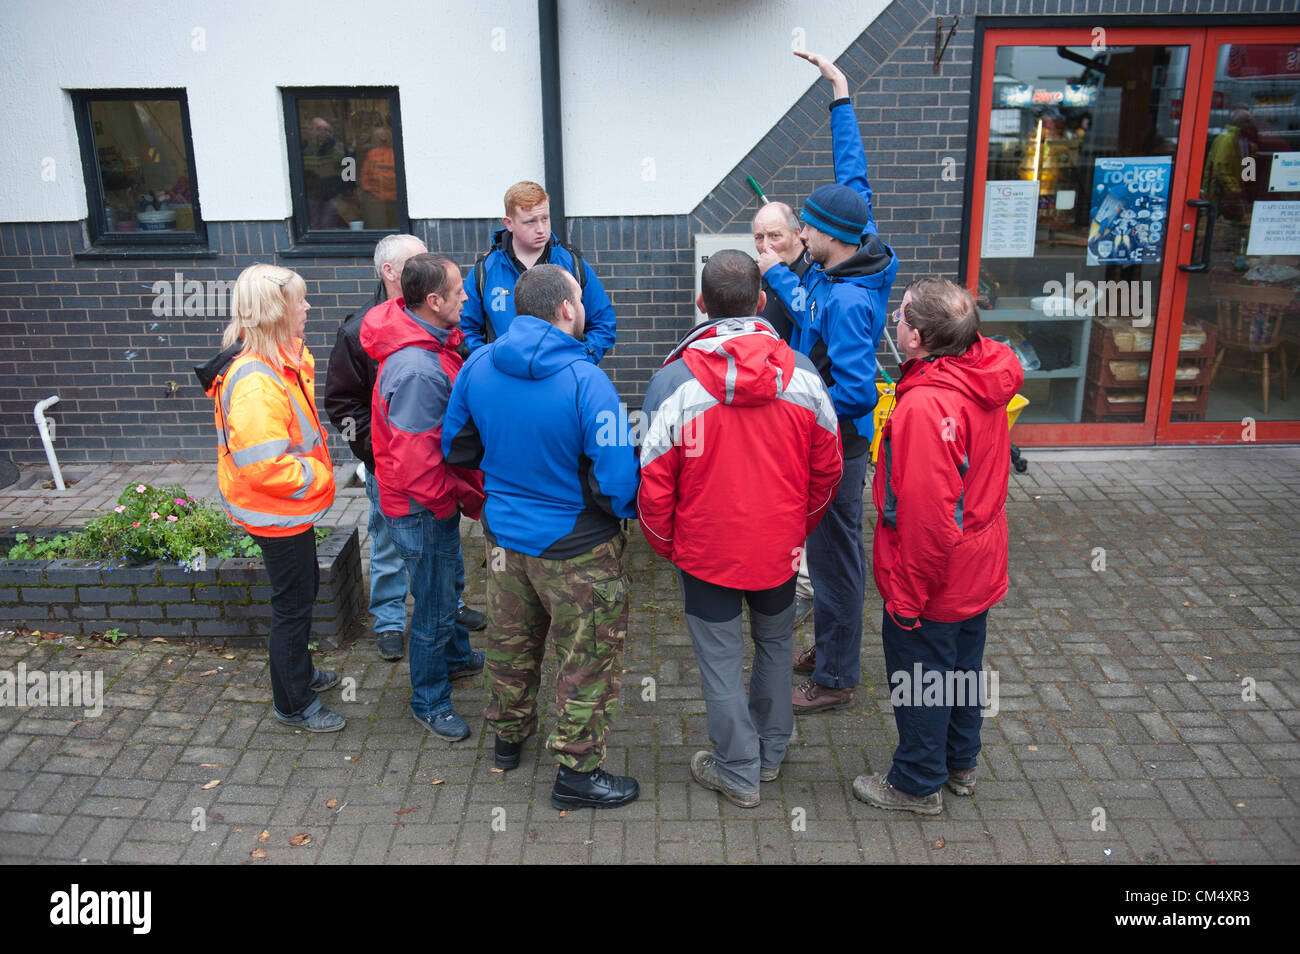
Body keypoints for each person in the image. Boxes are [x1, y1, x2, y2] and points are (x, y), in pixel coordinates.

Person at [638, 250, 842, 808]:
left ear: (701, 305)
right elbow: (829, 469)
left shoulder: (672, 383)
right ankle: (770, 755)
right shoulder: (802, 373)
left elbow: (653, 484)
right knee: (776, 647)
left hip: (706, 553)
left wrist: (666, 546)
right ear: (761, 302)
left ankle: (738, 771)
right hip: (778, 547)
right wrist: (800, 526)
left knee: (720, 661)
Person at [443, 264, 640, 810]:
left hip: (504, 539)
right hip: (577, 549)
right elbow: (618, 480)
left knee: (511, 643)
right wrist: (614, 517)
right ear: (568, 310)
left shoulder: (478, 363)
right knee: (586, 658)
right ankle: (576, 776)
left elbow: (455, 446)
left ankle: (508, 740)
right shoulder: (587, 381)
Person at [758, 50, 899, 715]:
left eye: (808, 227)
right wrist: (840, 93)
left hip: (837, 447)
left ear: (834, 240)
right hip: (824, 437)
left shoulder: (845, 303)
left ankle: (837, 676)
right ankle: (831, 648)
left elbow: (858, 392)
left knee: (836, 560)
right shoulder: (856, 237)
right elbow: (854, 175)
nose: (800, 232)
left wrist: (797, 404)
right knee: (828, 552)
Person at [853, 278, 1022, 815]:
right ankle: (960, 761)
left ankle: (917, 782)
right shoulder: (982, 371)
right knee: (964, 665)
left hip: (936, 575)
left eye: (901, 315)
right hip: (978, 560)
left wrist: (907, 596)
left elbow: (928, 519)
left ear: (916, 338)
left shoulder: (928, 408)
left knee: (922, 674)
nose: (894, 321)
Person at [325, 235, 488, 663]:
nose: (424, 264)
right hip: (404, 479)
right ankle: (392, 623)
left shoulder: (434, 332)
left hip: (425, 480)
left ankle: (449, 628)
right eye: (415, 260)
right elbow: (344, 405)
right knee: (391, 548)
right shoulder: (362, 330)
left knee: (437, 567)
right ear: (391, 272)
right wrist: (378, 454)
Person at [196, 264, 343, 732]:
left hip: (284, 512)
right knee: (294, 605)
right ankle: (293, 702)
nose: (307, 307)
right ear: (274, 313)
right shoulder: (258, 381)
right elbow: (265, 466)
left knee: (300, 596)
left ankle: (298, 676)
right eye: (298, 301)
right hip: (277, 512)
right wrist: (319, 476)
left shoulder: (275, 361)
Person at [361, 254, 486, 742]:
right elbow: (419, 466)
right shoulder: (417, 370)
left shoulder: (427, 342)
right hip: (421, 507)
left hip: (430, 503)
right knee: (433, 604)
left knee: (446, 583)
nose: (466, 298)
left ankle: (454, 658)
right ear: (433, 302)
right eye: (458, 291)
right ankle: (429, 699)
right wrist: (457, 505)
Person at [460, 180, 617, 362]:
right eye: (530, 222)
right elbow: (466, 329)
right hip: (507, 381)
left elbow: (603, 323)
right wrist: (490, 365)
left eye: (545, 218)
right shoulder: (485, 270)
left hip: (561, 378)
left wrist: (580, 359)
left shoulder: (571, 263)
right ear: (508, 223)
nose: (541, 229)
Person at [752, 200, 816, 625]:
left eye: (775, 235)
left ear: (797, 234)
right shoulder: (768, 277)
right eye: (759, 237)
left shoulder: (810, 277)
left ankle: (807, 587)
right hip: (771, 400)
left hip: (804, 404)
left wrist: (773, 271)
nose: (766, 244)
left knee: (805, 493)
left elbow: (809, 319)